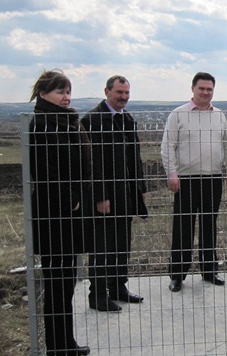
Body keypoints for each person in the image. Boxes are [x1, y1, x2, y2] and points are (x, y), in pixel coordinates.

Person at [29, 69, 91, 355]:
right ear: (43, 94)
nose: (66, 98)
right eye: (60, 92)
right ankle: (57, 347)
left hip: (69, 214)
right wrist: (70, 201)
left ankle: (66, 344)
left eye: (68, 92)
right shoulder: (42, 125)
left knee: (66, 284)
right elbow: (46, 172)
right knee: (57, 285)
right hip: (55, 216)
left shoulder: (64, 121)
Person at [161, 72, 227, 292]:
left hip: (213, 179)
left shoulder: (219, 115)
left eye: (209, 89)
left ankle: (209, 270)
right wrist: (171, 173)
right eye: (201, 88)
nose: (205, 92)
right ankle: (177, 275)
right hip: (186, 180)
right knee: (183, 227)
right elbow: (167, 146)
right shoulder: (178, 114)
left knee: (209, 226)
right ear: (193, 88)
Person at [82, 75, 148, 312]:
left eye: (127, 93)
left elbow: (135, 158)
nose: (123, 97)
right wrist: (100, 195)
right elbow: (91, 162)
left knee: (122, 244)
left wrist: (140, 188)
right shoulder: (92, 120)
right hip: (104, 197)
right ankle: (98, 295)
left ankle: (118, 287)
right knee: (102, 247)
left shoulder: (126, 119)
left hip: (125, 194)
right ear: (107, 92)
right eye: (119, 92)